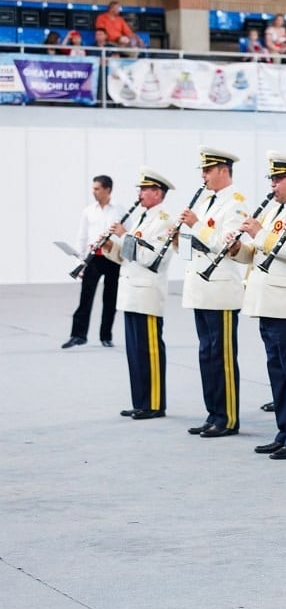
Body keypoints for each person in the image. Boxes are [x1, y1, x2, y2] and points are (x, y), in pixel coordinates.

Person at [229, 152, 286, 460]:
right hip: (269, 301)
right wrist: (239, 247)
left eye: (278, 178)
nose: (273, 184)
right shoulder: (275, 208)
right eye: (272, 178)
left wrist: (259, 234)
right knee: (277, 372)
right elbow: (259, 253)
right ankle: (284, 431)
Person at [177, 147, 248, 438]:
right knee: (206, 355)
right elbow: (189, 249)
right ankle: (213, 413)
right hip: (199, 287)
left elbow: (226, 244)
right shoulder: (206, 201)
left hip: (220, 290)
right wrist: (179, 237)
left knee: (222, 356)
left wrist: (196, 225)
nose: (204, 176)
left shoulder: (236, 204)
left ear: (223, 170)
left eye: (208, 170)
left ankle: (227, 417)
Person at [102, 168, 176, 420]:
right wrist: (111, 245)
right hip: (131, 292)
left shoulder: (165, 220)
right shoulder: (142, 217)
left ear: (157, 193)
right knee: (134, 351)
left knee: (150, 351)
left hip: (148, 293)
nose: (140, 193)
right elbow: (127, 255)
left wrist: (126, 236)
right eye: (140, 189)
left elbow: (150, 257)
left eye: (145, 189)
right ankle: (141, 401)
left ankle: (155, 403)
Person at [63, 175, 124, 350]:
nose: (94, 192)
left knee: (110, 298)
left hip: (112, 257)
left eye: (97, 188)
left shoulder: (120, 210)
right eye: (93, 188)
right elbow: (81, 237)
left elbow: (128, 233)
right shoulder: (88, 211)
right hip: (93, 258)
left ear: (107, 190)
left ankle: (106, 336)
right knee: (85, 297)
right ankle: (78, 335)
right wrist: (79, 262)